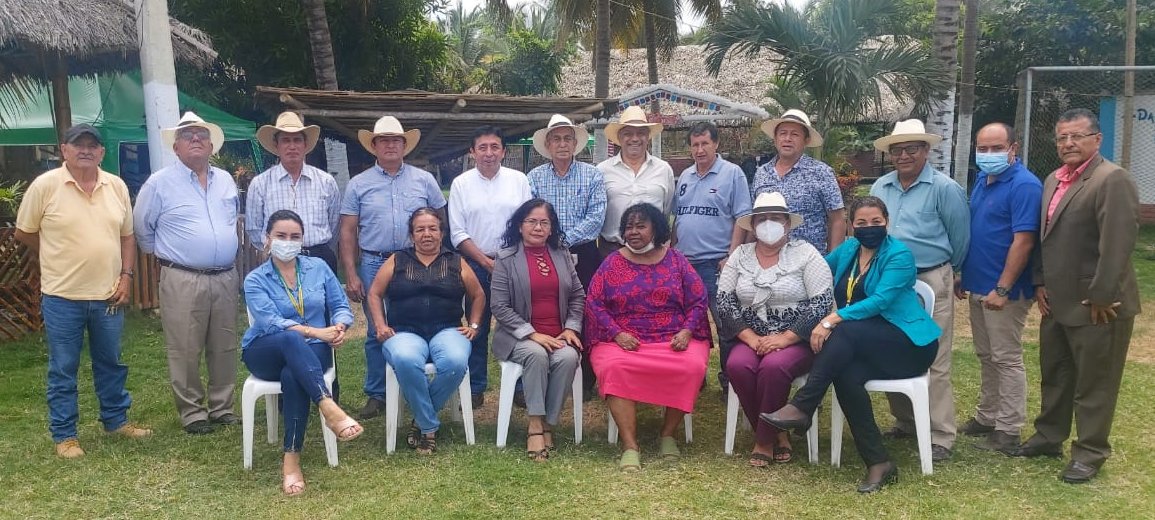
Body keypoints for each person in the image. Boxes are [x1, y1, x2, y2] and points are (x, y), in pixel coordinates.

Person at [760, 196, 941, 493]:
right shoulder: (849, 249)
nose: (869, 228)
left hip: (907, 345)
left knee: (843, 332)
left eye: (876, 222)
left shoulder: (899, 255)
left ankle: (803, 404)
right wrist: (777, 276)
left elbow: (880, 301)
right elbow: (815, 270)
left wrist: (831, 319)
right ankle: (879, 462)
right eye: (861, 223)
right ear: (850, 226)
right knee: (845, 375)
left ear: (886, 222)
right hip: (868, 344)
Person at [1011, 108, 1140, 485]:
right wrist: (1039, 282)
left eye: (1077, 136)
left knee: (1094, 383)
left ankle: (1090, 452)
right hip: (1056, 300)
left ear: (1096, 140)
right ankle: (1049, 436)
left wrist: (1102, 296)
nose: (1068, 143)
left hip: (1097, 305)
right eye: (1062, 137)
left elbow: (1117, 244)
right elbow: (1045, 237)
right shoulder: (1053, 179)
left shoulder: (1111, 179)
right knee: (1056, 374)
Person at [15, 124, 152, 458]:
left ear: (102, 153)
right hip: (62, 297)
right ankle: (66, 436)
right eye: (79, 145)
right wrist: (55, 255)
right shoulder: (45, 186)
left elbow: (127, 236)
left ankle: (116, 421)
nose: (86, 150)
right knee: (63, 367)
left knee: (111, 362)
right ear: (64, 150)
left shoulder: (116, 186)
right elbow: (24, 233)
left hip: (108, 294)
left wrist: (126, 277)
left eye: (93, 145)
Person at [241, 210, 363, 496]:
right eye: (281, 236)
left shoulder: (318, 267)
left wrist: (340, 325)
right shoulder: (255, 279)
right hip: (265, 350)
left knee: (292, 374)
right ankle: (328, 406)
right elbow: (270, 322)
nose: (288, 241)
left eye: (295, 236)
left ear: (302, 240)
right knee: (289, 339)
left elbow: (340, 305)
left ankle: (292, 460)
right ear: (267, 239)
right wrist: (316, 332)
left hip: (314, 352)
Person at [869, 118, 970, 462]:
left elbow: (960, 239)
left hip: (930, 277)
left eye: (912, 148)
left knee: (934, 355)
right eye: (898, 150)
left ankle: (941, 434)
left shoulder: (944, 188)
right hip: (889, 283)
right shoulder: (880, 187)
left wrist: (948, 272)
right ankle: (906, 420)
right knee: (891, 349)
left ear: (926, 150)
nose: (904, 155)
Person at [135, 112, 240, 435]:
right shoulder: (159, 183)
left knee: (224, 344)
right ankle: (193, 411)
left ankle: (222, 407)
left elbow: (231, 219)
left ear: (211, 145)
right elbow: (143, 230)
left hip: (224, 275)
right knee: (185, 346)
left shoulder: (225, 179)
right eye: (187, 135)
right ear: (176, 147)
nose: (195, 139)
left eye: (201, 135)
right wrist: (177, 257)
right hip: (182, 276)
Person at [585, 203, 711, 471]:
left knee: (691, 365)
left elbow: (699, 299)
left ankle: (668, 435)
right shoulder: (613, 262)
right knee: (613, 366)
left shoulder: (676, 259)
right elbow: (594, 302)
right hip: (622, 339)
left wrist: (687, 331)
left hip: (672, 336)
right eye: (628, 226)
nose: (633, 232)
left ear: (657, 228)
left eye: (641, 226)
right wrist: (617, 333)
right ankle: (630, 445)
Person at [340, 115, 448, 420]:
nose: (390, 145)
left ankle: (410, 383)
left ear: (404, 145)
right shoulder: (359, 184)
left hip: (413, 260)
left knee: (414, 321)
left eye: (396, 140)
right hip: (374, 260)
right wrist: (351, 273)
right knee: (377, 330)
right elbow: (347, 231)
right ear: (374, 146)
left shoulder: (424, 180)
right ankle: (377, 393)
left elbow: (440, 220)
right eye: (384, 140)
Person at [717, 192, 834, 467]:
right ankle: (778, 431)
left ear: (787, 224)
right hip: (749, 338)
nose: (768, 224)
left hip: (797, 341)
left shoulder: (805, 253)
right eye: (762, 219)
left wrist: (786, 338)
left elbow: (821, 302)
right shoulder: (740, 255)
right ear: (753, 225)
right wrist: (750, 337)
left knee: (773, 367)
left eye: (775, 218)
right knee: (737, 366)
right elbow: (724, 300)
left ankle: (764, 440)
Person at [366, 208, 486, 454]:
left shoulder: (456, 260)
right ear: (412, 235)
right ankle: (429, 426)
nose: (427, 234)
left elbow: (478, 294)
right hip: (403, 331)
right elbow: (374, 293)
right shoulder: (397, 259)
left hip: (448, 329)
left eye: (432, 228)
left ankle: (420, 420)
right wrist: (380, 324)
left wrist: (473, 325)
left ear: (442, 233)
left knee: (455, 361)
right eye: (420, 229)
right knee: (406, 359)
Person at [955, 123, 1042, 454]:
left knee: (1006, 357)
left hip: (1005, 292)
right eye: (983, 148)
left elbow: (1024, 241)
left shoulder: (1024, 186)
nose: (988, 155)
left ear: (1013, 148)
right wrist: (966, 274)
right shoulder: (982, 179)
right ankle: (986, 416)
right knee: (986, 354)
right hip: (978, 284)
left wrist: (1003, 289)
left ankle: (1008, 429)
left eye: (996, 148)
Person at [490, 199, 585, 462]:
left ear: (551, 228)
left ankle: (548, 424)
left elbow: (578, 295)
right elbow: (499, 305)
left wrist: (570, 328)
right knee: (536, 354)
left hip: (558, 335)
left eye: (544, 222)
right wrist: (532, 333)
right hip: (518, 337)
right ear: (520, 226)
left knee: (568, 357)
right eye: (531, 221)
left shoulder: (562, 255)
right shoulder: (506, 258)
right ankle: (534, 425)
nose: (538, 227)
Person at [449, 126, 532, 406]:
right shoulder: (461, 184)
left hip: (514, 260)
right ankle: (475, 386)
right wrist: (485, 262)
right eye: (482, 147)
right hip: (474, 262)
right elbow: (457, 232)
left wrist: (507, 260)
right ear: (472, 152)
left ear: (504, 151)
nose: (488, 153)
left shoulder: (518, 180)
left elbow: (527, 223)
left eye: (494, 147)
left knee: (518, 322)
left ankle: (520, 385)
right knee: (477, 324)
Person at [673, 121, 753, 395]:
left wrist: (732, 255)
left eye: (705, 143)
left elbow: (743, 217)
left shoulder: (733, 174)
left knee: (725, 323)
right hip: (685, 263)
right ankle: (692, 375)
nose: (699, 149)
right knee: (688, 324)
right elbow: (678, 218)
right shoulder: (684, 177)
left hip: (717, 262)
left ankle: (730, 381)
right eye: (695, 144)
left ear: (716, 144)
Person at [246, 112, 342, 273]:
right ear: (277, 145)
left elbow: (335, 224)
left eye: (297, 140)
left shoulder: (326, 182)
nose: (292, 146)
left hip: (319, 259)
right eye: (286, 140)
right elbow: (254, 229)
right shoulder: (260, 184)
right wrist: (276, 249)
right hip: (277, 260)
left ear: (305, 144)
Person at [526, 114, 606, 290]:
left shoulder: (592, 175)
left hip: (584, 253)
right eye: (556, 139)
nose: (562, 144)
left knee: (585, 305)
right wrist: (550, 240)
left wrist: (563, 240)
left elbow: (596, 218)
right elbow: (531, 218)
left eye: (567, 138)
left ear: (575, 144)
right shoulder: (534, 177)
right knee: (549, 305)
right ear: (548, 145)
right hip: (544, 251)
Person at [750, 109, 846, 253]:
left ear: (806, 140)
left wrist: (833, 262)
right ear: (775, 139)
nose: (787, 138)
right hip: (768, 261)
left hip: (810, 263)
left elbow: (837, 219)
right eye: (783, 133)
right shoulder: (761, 173)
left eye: (794, 134)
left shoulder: (821, 172)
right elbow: (754, 218)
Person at [596, 105, 675, 256]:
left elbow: (666, 211)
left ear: (648, 137)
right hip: (612, 250)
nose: (635, 138)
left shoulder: (664, 170)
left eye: (641, 133)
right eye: (628, 133)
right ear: (619, 138)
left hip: (653, 252)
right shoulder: (602, 171)